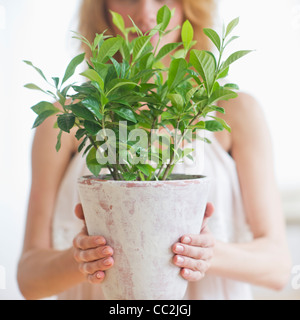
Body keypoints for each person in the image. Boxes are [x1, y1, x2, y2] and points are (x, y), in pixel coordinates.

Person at [17, 0, 291, 300]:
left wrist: (205, 253)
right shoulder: (67, 119)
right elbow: (29, 280)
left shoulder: (236, 112)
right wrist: (82, 259)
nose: (146, 14)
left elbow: (277, 266)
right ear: (102, 9)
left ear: (191, 8)